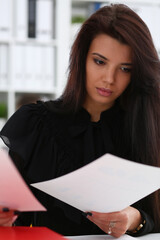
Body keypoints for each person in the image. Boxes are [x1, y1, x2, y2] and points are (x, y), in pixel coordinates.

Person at [0, 3, 160, 238]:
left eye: (125, 68)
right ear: (81, 59)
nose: (109, 79)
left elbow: (153, 216)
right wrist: (5, 216)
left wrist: (135, 219)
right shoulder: (35, 125)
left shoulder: (146, 129)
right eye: (99, 61)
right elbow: (15, 217)